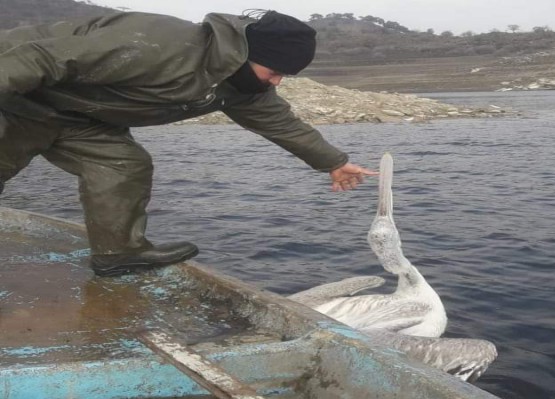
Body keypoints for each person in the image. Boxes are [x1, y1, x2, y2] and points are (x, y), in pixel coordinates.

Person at [0, 9, 376, 276]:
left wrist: (333, 162)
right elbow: (39, 58)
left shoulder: (243, 87)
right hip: (22, 95)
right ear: (246, 56)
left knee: (123, 166)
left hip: (82, 116)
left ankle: (119, 254)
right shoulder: (160, 46)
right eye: (275, 71)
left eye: (285, 76)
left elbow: (283, 125)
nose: (276, 81)